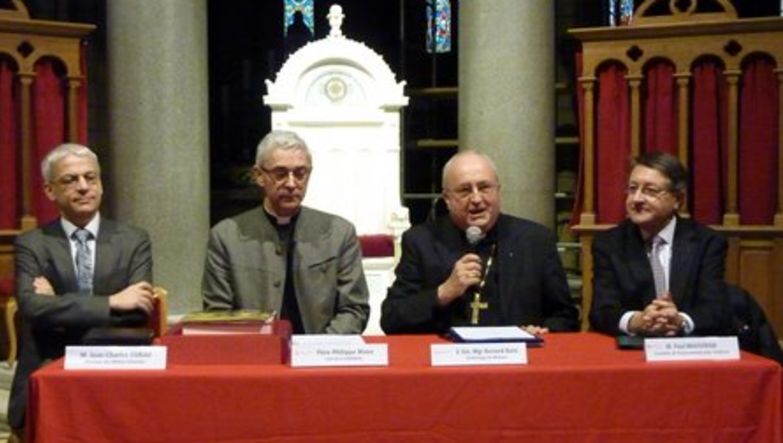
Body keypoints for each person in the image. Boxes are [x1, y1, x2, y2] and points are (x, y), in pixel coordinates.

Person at [10, 143, 155, 433]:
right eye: (70, 180)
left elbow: (138, 312)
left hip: (116, 369)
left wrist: (59, 304)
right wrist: (112, 302)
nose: (83, 187)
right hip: (48, 369)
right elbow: (33, 308)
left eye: (91, 178)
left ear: (101, 185)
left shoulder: (133, 240)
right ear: (50, 191)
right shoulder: (32, 244)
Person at [381, 151, 579, 334]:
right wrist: (443, 292)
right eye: (465, 190)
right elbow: (391, 318)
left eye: (484, 187)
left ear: (498, 191)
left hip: (517, 361)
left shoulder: (535, 241)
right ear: (447, 198)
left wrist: (542, 331)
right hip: (447, 362)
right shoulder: (421, 241)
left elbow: (565, 317)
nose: (476, 199)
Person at [201, 130, 369, 334]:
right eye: (280, 174)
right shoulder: (226, 236)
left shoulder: (339, 232)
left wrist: (320, 349)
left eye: (300, 173)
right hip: (255, 356)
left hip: (322, 355)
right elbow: (218, 314)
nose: (291, 184)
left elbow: (354, 309)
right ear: (259, 176)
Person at [590, 151, 731, 337]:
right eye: (632, 189)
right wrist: (637, 321)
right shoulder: (609, 244)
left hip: (688, 349)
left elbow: (715, 309)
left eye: (650, 191)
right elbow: (601, 311)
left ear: (678, 200)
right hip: (633, 350)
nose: (637, 199)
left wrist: (679, 320)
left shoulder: (706, 243)